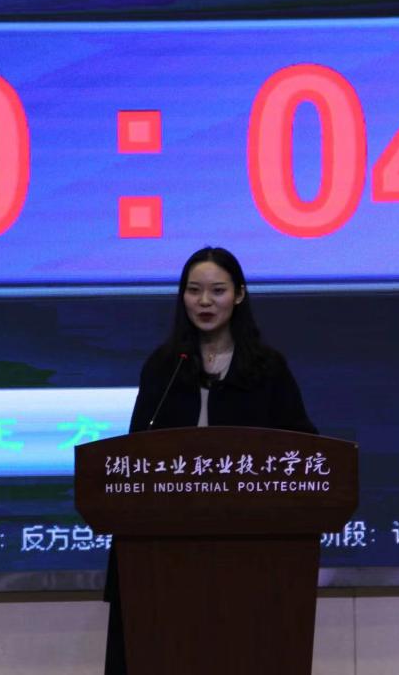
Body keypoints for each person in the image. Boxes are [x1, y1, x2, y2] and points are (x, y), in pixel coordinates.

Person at [104, 246, 316, 674]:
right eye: (194, 290)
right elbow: (133, 456)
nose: (204, 302)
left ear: (239, 295)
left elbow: (303, 451)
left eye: (217, 291)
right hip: (164, 553)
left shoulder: (266, 368)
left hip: (248, 552)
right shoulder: (164, 367)